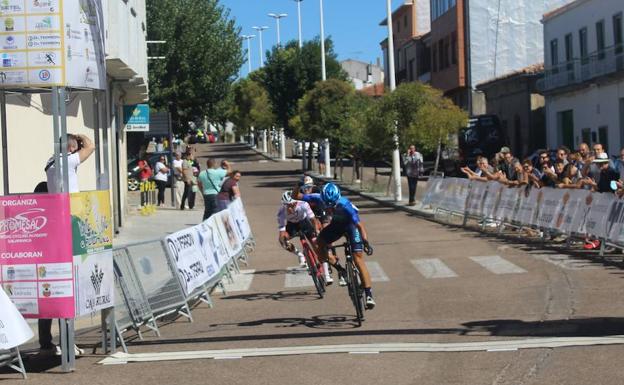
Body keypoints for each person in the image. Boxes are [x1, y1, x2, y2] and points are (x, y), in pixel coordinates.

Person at [43, 133, 94, 357]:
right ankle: (67, 341)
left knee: (52, 286)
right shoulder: (69, 160)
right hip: (70, 219)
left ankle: (47, 341)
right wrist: (80, 138)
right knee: (68, 288)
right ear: (72, 149)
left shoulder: (50, 162)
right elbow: (91, 146)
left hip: (56, 220)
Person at [314, 183, 376, 309]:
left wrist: (365, 241)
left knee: (358, 259)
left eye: (333, 205)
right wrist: (299, 186)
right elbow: (298, 196)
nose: (330, 208)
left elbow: (360, 225)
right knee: (319, 242)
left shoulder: (346, 205)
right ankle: (340, 269)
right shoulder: (318, 198)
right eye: (328, 205)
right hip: (336, 227)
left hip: (351, 227)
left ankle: (369, 294)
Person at [277, 191, 320, 268]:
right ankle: (300, 255)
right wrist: (284, 240)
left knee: (315, 244)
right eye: (287, 205)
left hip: (304, 223)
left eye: (291, 205)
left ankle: (325, 271)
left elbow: (313, 220)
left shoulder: (303, 205)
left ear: (295, 203)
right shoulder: (281, 212)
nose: (289, 208)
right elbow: (282, 232)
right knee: (282, 240)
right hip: (292, 225)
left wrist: (316, 230)